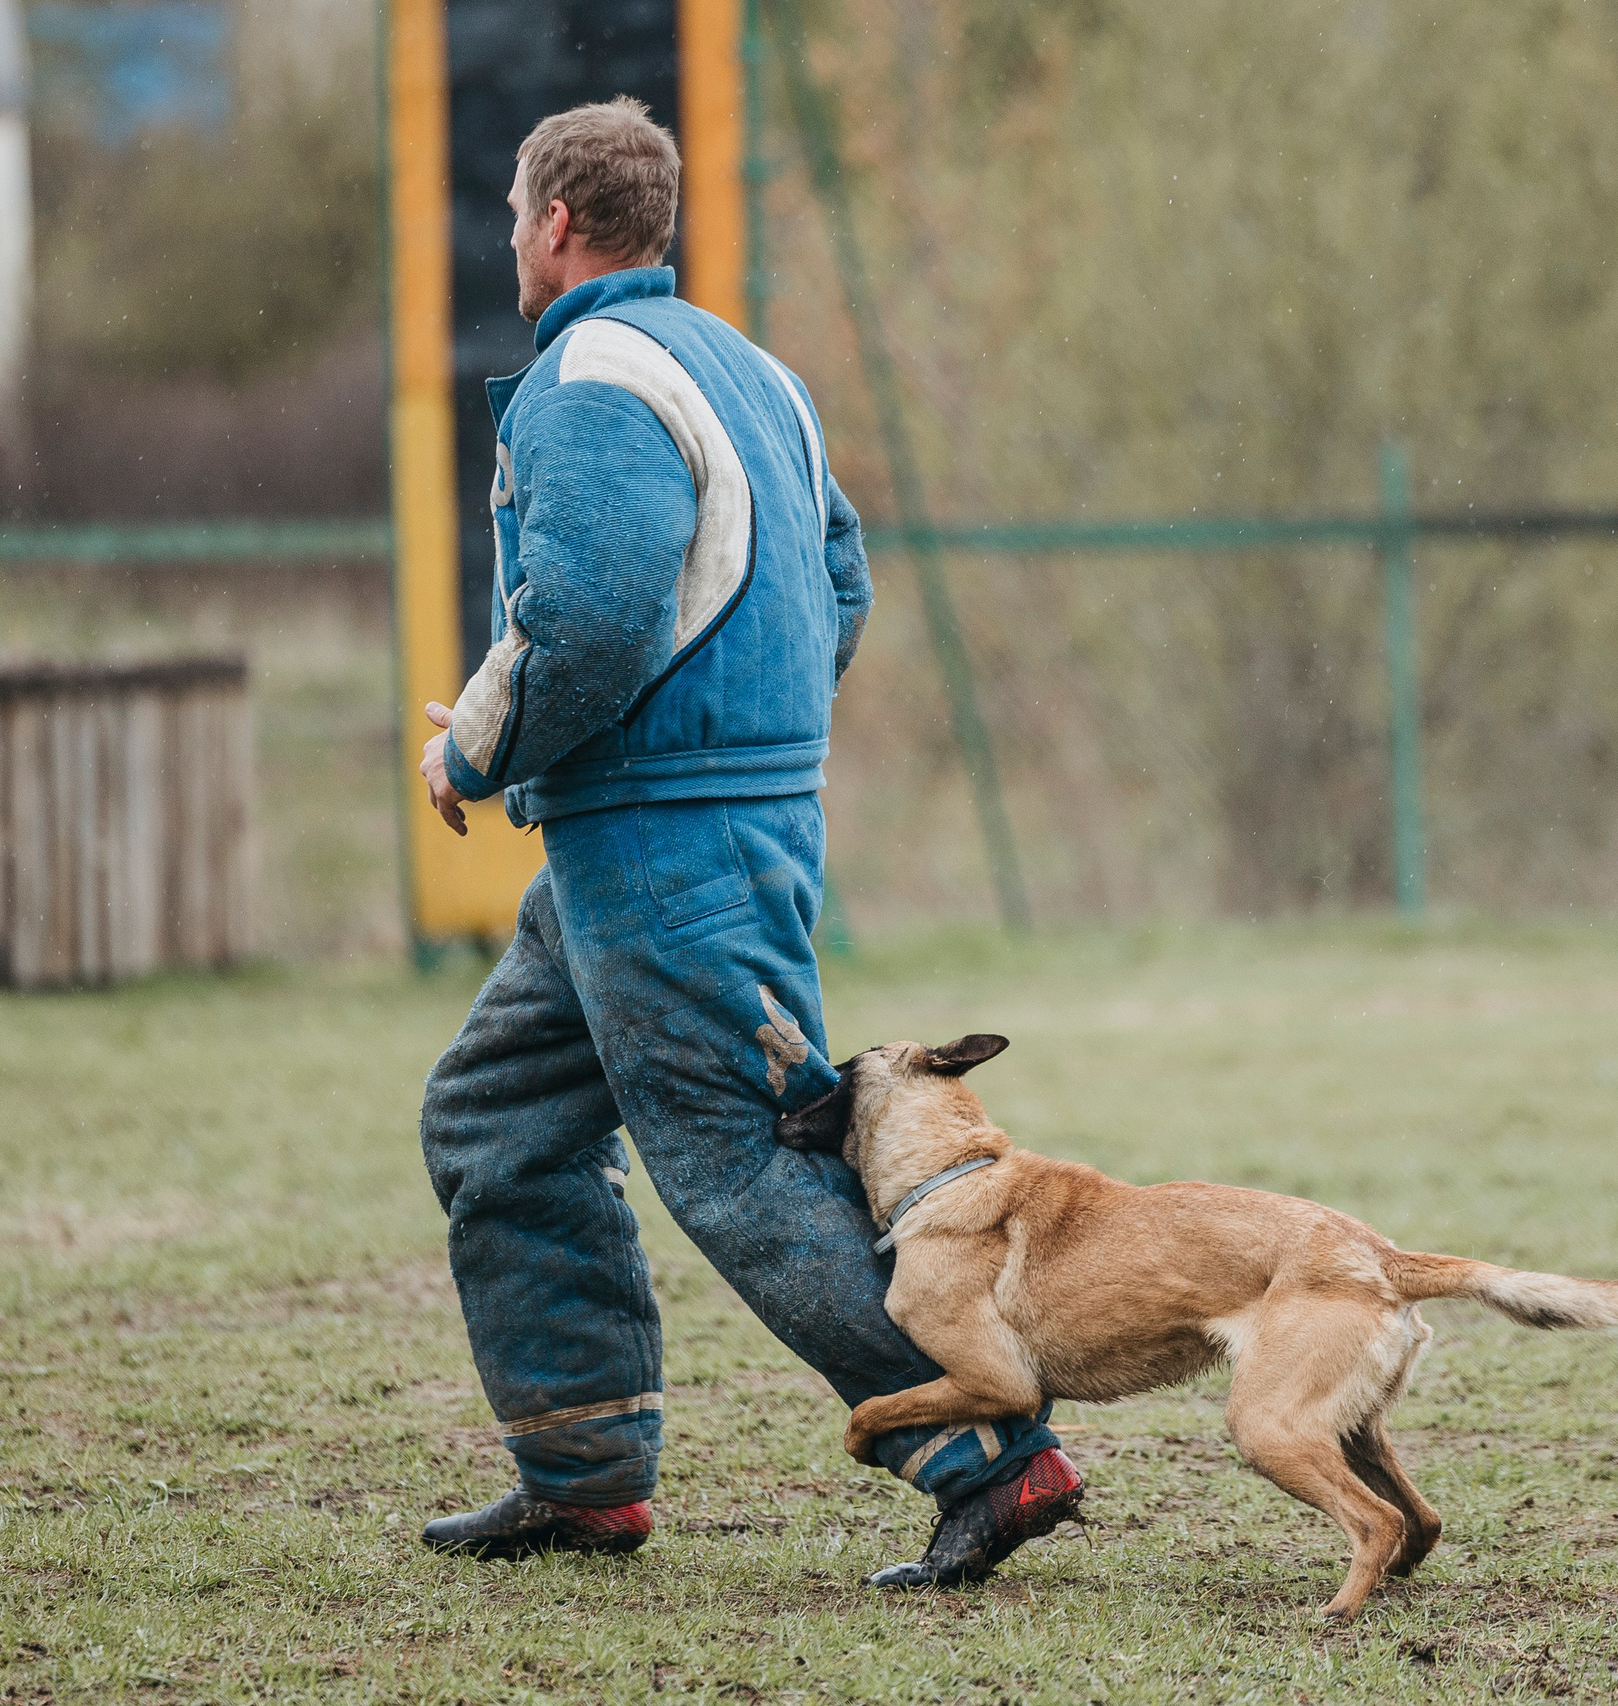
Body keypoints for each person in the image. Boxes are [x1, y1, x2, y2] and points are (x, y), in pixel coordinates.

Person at [414, 99, 1082, 1588]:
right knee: (495, 1122)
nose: (510, 237)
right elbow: (837, 576)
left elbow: (587, 622)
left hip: (665, 850)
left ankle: (990, 1451)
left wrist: (472, 744)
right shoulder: (754, 369)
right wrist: (754, 737)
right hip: (676, 833)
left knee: (745, 1164)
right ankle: (582, 1467)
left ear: (557, 226)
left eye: (517, 213)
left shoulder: (587, 378)